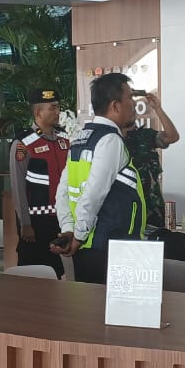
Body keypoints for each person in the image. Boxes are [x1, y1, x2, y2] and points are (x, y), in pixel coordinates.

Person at [52, 73, 147, 285]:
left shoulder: (81, 139)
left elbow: (63, 192)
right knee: (113, 305)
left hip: (89, 247)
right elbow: (93, 194)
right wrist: (78, 236)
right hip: (112, 247)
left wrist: (69, 230)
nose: (134, 104)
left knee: (91, 304)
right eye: (130, 98)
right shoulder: (110, 141)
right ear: (115, 106)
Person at [9, 89, 69, 277]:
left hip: (63, 219)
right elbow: (18, 187)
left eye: (58, 107)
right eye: (53, 108)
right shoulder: (24, 143)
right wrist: (25, 223)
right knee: (34, 272)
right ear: (38, 112)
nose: (58, 112)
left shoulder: (65, 139)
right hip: (37, 223)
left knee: (58, 272)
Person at [123, 91, 181, 230]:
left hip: (154, 210)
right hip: (129, 211)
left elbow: (172, 137)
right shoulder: (112, 140)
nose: (133, 112)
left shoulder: (145, 135)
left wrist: (158, 108)